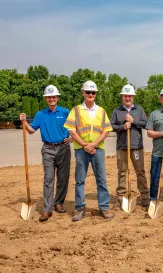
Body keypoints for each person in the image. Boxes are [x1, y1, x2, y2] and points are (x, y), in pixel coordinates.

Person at [19, 85, 72, 222]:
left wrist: (72, 138)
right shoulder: (40, 114)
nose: (51, 99)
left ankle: (58, 203)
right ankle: (47, 209)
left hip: (63, 148)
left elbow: (76, 128)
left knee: (63, 178)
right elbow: (31, 131)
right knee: (48, 178)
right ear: (46, 99)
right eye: (49, 97)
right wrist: (24, 122)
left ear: (57, 98)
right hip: (48, 149)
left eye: (53, 97)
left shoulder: (66, 112)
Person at [64, 80, 113, 221]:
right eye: (88, 92)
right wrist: (86, 145)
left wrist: (93, 145)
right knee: (80, 180)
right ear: (83, 93)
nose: (90, 94)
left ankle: (104, 207)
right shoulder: (76, 110)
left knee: (101, 180)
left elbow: (106, 131)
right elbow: (71, 130)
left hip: (98, 149)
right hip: (81, 150)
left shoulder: (101, 111)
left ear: (95, 94)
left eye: (93, 92)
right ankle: (80, 208)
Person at [110, 84, 150, 207]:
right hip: (122, 147)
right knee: (122, 172)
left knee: (140, 172)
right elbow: (111, 126)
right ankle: (121, 196)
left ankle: (144, 196)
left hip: (136, 147)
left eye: (130, 96)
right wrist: (123, 126)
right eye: (125, 96)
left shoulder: (139, 110)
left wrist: (133, 121)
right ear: (122, 97)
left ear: (133, 97)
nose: (128, 98)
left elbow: (145, 124)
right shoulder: (117, 111)